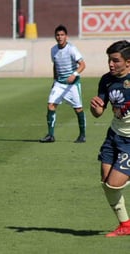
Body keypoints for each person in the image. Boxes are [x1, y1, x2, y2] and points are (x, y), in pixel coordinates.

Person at [90, 40, 130, 237]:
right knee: (106, 182)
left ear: (128, 62)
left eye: (115, 60)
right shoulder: (106, 80)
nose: (111, 64)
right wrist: (95, 107)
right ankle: (125, 225)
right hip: (114, 136)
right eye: (109, 60)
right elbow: (99, 112)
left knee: (114, 183)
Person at [40, 25, 86, 143]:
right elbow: (55, 65)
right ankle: (51, 135)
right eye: (57, 35)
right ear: (55, 37)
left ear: (66, 36)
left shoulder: (72, 49)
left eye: (62, 35)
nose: (59, 37)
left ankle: (82, 135)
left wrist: (74, 74)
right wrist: (54, 80)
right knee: (51, 105)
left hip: (72, 85)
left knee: (78, 109)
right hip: (59, 83)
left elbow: (82, 65)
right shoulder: (53, 50)